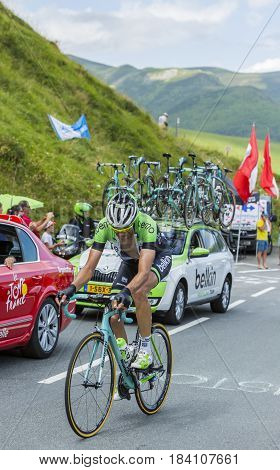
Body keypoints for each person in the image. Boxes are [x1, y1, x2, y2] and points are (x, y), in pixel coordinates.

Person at [57, 192, 172, 370]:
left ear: (134, 221)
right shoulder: (104, 226)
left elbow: (143, 271)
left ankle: (145, 350)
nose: (121, 235)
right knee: (113, 313)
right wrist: (71, 288)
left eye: (126, 230)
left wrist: (127, 292)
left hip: (156, 260)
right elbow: (88, 268)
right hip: (129, 262)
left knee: (139, 292)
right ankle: (126, 357)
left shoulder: (146, 224)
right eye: (117, 231)